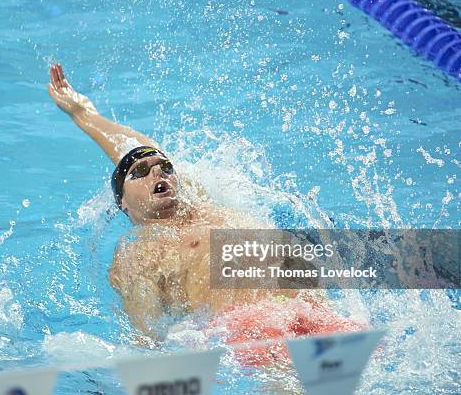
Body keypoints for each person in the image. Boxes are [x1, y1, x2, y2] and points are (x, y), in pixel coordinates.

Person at [47, 63, 365, 365]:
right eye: (141, 173)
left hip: (313, 307)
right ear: (123, 204)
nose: (158, 174)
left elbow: (134, 147)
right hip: (257, 329)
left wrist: (85, 113)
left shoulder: (196, 201)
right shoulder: (138, 251)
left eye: (164, 168)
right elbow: (145, 337)